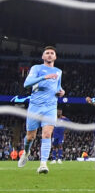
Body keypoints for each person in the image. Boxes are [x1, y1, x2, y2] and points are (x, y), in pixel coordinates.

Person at [19, 46, 65, 174]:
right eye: (47, 53)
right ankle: (26, 152)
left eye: (52, 53)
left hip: (50, 107)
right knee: (30, 137)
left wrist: (62, 92)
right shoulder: (36, 68)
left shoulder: (58, 71)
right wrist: (43, 77)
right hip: (35, 106)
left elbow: (58, 87)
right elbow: (26, 84)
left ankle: (43, 164)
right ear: (43, 57)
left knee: (47, 134)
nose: (49, 55)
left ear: (55, 57)